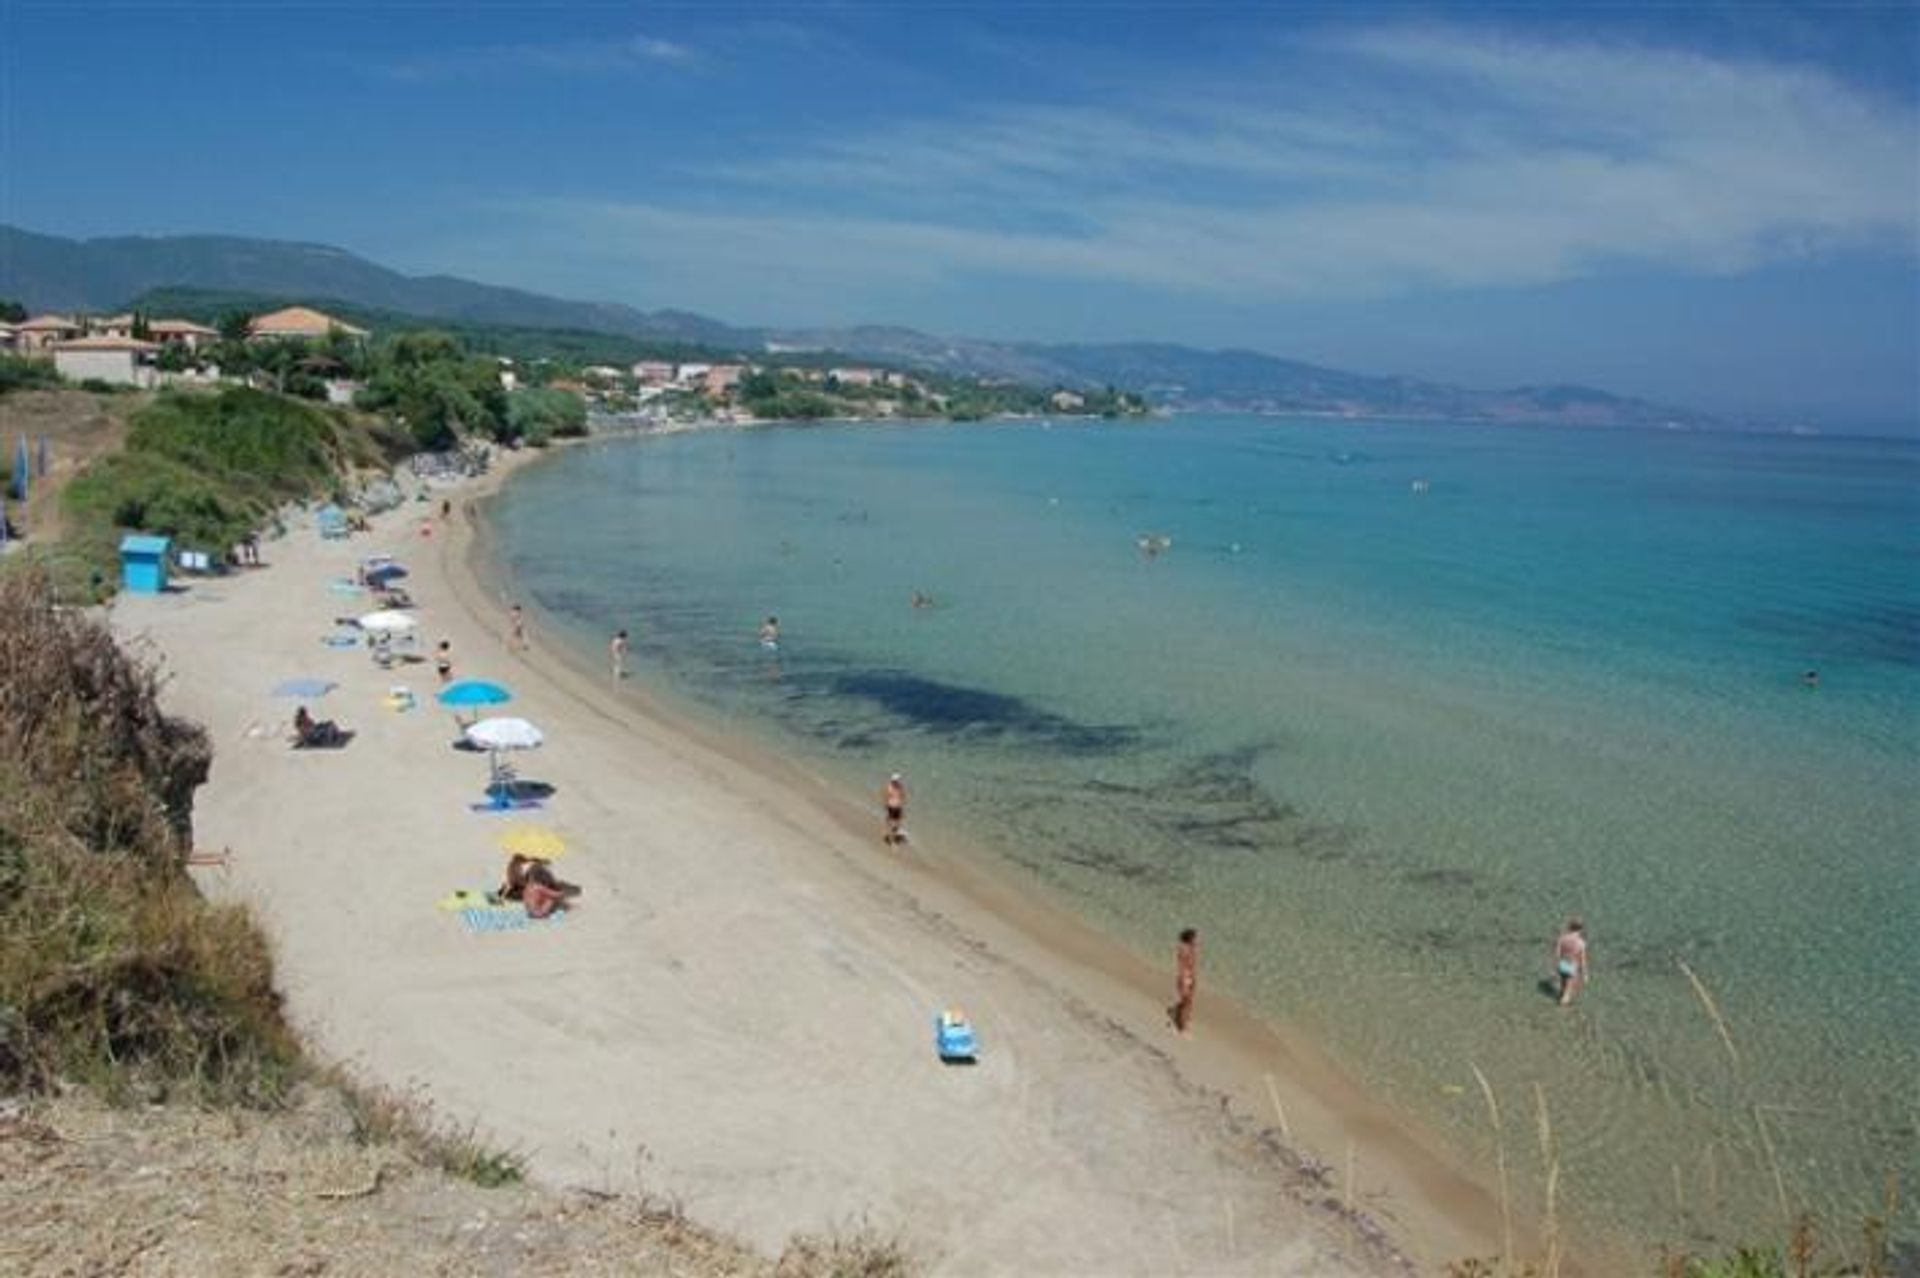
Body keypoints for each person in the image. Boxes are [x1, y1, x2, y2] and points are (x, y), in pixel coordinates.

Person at [501, 854, 578, 919]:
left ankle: (566, 899)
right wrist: (562, 894)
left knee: (547, 892)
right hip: (539, 914)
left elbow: (510, 884)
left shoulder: (524, 884)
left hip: (529, 910)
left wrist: (503, 896)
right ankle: (568, 904)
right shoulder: (537, 883)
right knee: (552, 896)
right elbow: (555, 894)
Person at [1554, 918, 1590, 1007]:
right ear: (1581, 929)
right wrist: (1585, 974)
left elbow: (1557, 953)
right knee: (1568, 992)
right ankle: (1562, 1011)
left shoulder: (1562, 938)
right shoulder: (1581, 943)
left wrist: (1557, 965)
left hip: (1562, 964)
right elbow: (1582, 960)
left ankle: (1561, 998)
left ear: (1570, 927)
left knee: (1563, 986)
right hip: (1572, 965)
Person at [1171, 928, 1199, 1035]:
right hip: (1185, 976)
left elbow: (1192, 965)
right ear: (1190, 938)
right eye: (1195, 938)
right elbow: (1182, 965)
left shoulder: (1191, 949)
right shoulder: (1185, 949)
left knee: (1188, 1001)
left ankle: (1181, 1020)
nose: (1196, 940)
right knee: (1186, 1001)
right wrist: (1184, 978)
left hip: (1189, 976)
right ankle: (1181, 1026)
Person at [882, 772, 907, 846]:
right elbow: (886, 797)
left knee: (896, 823)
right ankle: (892, 840)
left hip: (896, 807)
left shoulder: (898, 786)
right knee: (893, 824)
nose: (899, 781)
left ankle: (892, 838)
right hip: (893, 807)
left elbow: (903, 796)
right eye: (898, 779)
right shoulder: (892, 787)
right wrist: (886, 807)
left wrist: (902, 804)